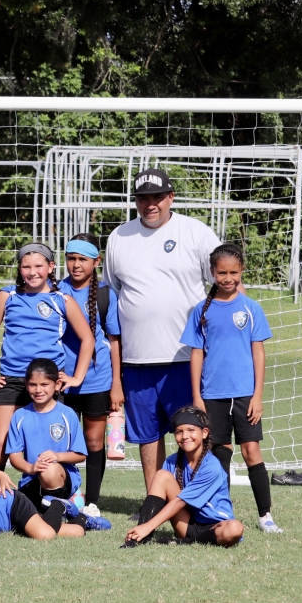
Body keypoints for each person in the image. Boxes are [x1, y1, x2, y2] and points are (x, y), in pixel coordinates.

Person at [103, 168, 226, 493]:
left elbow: (223, 282)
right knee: (147, 435)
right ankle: (154, 499)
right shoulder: (119, 237)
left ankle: (197, 498)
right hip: (137, 359)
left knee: (192, 431)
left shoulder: (195, 232)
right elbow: (113, 292)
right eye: (143, 198)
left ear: (170, 197)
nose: (150, 204)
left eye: (157, 197)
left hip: (186, 357)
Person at [0, 242, 94, 492]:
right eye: (26, 266)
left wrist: (76, 377)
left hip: (46, 383)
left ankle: (55, 494)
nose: (32, 272)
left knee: (44, 444)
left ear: (51, 267)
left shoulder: (61, 299)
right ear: (19, 269)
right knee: (0, 441)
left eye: (39, 266)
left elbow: (88, 339)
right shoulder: (7, 296)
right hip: (12, 379)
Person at [180, 243, 280, 533]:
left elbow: (258, 352)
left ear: (241, 272)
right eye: (221, 272)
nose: (227, 278)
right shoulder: (201, 311)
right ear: (212, 273)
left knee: (251, 451)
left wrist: (257, 395)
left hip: (245, 394)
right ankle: (221, 512)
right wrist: (198, 396)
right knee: (220, 454)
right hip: (212, 395)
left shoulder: (251, 308)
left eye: (233, 272)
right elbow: (196, 354)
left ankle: (266, 516)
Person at [58, 233, 123, 509]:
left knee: (94, 441)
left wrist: (117, 384)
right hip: (61, 380)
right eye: (71, 258)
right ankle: (63, 496)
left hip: (97, 380)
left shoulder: (106, 294)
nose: (76, 265)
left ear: (96, 261)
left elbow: (114, 341)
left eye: (82, 259)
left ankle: (92, 502)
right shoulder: (55, 289)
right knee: (63, 442)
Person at [123, 407, 243, 548]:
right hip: (186, 524)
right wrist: (145, 526)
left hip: (215, 527)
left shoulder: (212, 467)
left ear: (204, 433)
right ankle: (139, 537)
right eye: (179, 431)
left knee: (235, 528)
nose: (185, 436)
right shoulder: (171, 461)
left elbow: (179, 502)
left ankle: (187, 541)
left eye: (191, 430)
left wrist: (149, 525)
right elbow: (163, 498)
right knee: (162, 475)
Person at [6, 359, 88, 513]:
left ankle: (62, 510)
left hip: (60, 478)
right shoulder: (20, 416)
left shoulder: (67, 414)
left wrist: (57, 456)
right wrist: (31, 467)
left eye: (44, 385)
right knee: (13, 512)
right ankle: (72, 512)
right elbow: (15, 456)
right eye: (33, 384)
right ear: (26, 384)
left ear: (57, 385)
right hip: (31, 480)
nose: (38, 390)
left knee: (48, 470)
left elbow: (80, 455)